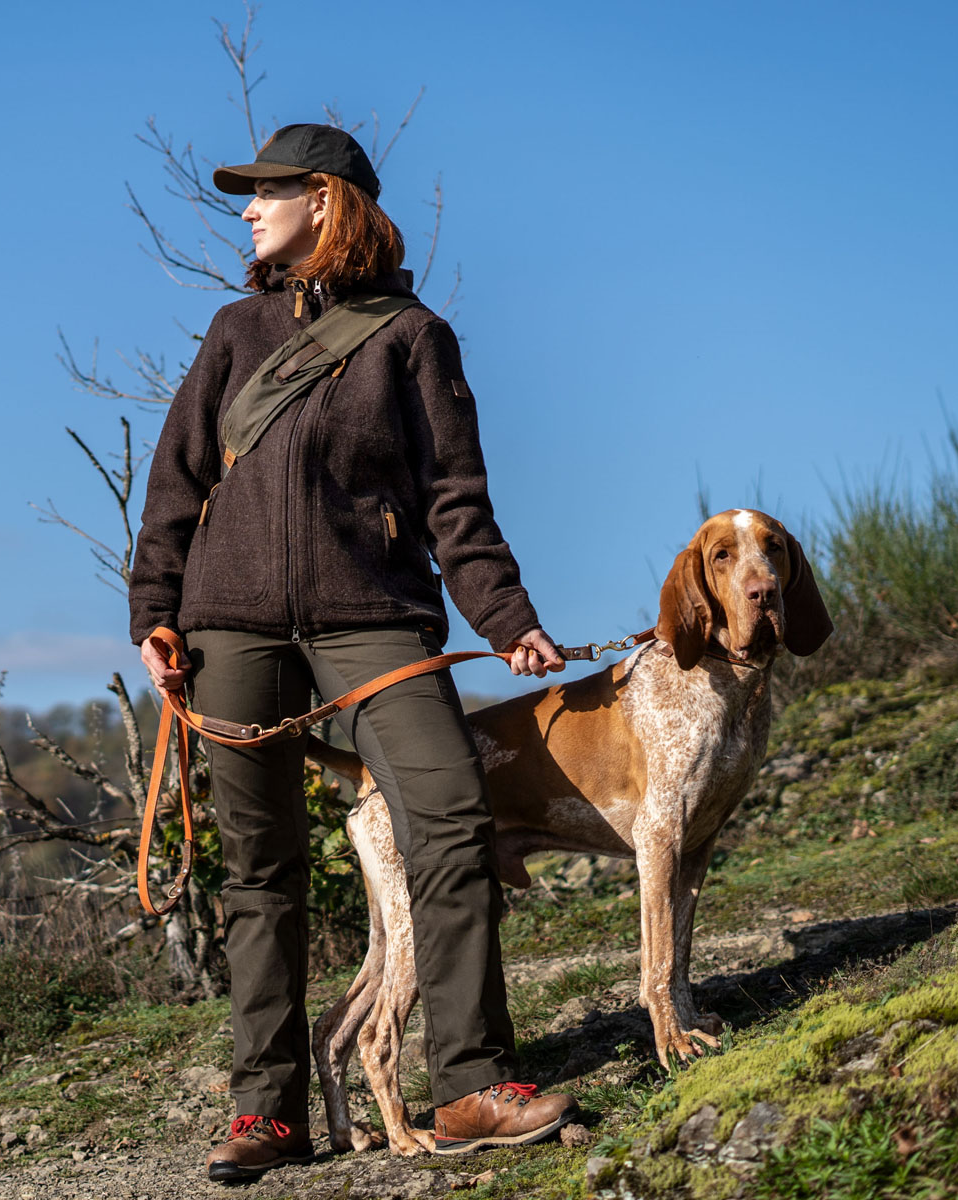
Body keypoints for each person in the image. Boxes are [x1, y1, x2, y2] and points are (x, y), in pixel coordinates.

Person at [130, 123, 576, 1183]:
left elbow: (455, 501)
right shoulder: (234, 331)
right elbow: (176, 482)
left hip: (372, 613)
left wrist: (506, 619)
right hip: (228, 623)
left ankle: (470, 1084)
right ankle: (267, 1113)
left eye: (265, 191)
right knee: (261, 868)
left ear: (324, 199)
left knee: (452, 813)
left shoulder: (414, 336)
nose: (246, 208)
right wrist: (156, 608)